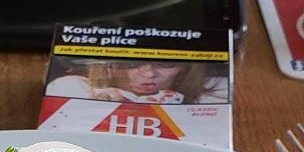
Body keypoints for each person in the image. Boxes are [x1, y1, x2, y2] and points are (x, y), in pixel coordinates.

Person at [45, 60, 228, 104]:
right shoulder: (71, 86)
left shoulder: (216, 92)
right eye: (133, 64)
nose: (148, 74)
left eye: (166, 63)